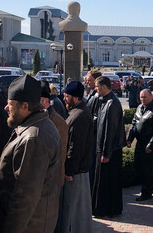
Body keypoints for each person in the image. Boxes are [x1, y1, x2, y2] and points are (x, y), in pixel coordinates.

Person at [0, 75, 64, 232]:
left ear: (25, 106)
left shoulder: (33, 138)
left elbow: (25, 198)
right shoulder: (36, 126)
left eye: (10, 104)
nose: (6, 108)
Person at [61, 81, 94, 233]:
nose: (64, 99)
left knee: (74, 213)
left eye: (66, 96)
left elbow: (75, 147)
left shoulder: (79, 116)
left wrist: (69, 170)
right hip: (78, 171)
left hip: (75, 173)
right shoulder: (77, 112)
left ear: (75, 98)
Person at [91, 75, 126, 218]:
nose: (95, 89)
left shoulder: (112, 103)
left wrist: (106, 153)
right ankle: (106, 209)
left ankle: (106, 210)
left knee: (107, 181)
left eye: (97, 87)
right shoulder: (105, 100)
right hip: (105, 148)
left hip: (110, 150)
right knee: (106, 181)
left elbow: (110, 130)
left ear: (104, 87)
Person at [40, 82, 68, 233]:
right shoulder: (40, 118)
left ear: (45, 100)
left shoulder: (58, 122)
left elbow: (60, 156)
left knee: (53, 221)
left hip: (52, 181)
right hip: (42, 182)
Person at [127, 88, 153, 201]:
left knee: (147, 169)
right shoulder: (139, 107)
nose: (143, 99)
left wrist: (150, 145)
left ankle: (146, 192)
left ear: (151, 97)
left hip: (149, 144)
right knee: (138, 166)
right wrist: (130, 139)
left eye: (145, 97)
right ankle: (151, 184)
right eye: (141, 97)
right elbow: (134, 123)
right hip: (140, 143)